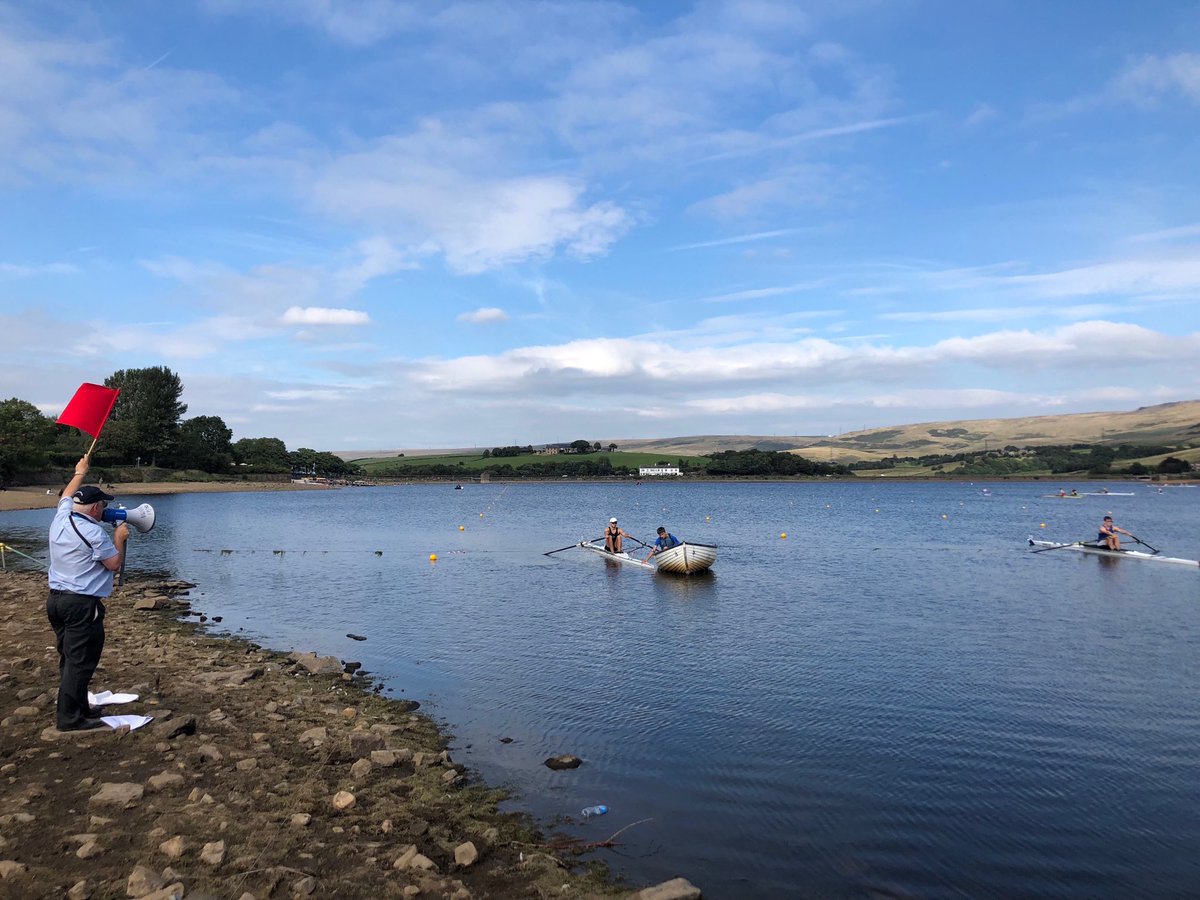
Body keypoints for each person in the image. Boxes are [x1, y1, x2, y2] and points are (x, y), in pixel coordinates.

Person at [46, 455, 129, 731]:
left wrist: (80, 472)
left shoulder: (62, 516)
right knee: (81, 661)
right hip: (81, 604)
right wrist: (119, 538)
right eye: (103, 504)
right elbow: (114, 564)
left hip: (56, 600)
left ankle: (79, 706)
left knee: (69, 658)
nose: (105, 508)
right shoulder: (94, 534)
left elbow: (67, 495)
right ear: (95, 508)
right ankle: (69, 719)